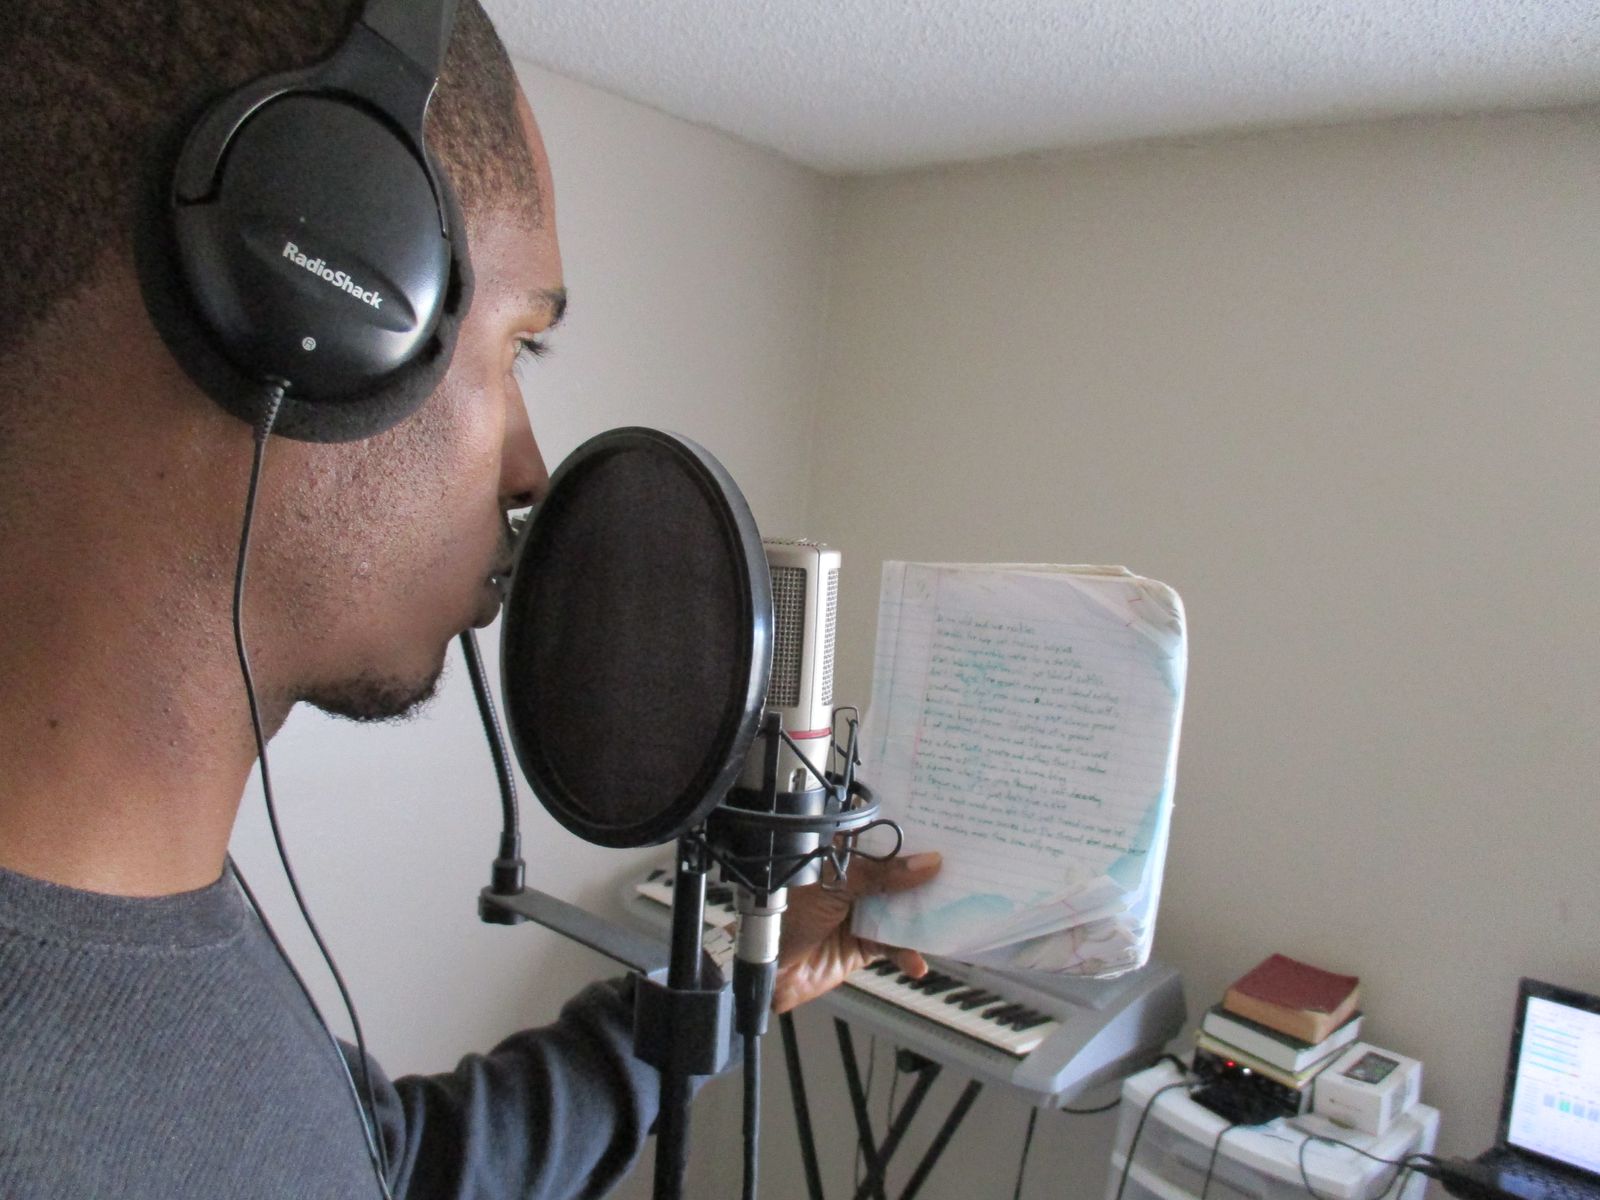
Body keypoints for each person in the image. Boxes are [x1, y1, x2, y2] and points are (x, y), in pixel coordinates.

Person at [0, 2, 941, 1196]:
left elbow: (378, 1166)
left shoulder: (150, 912)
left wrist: (722, 980)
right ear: (312, 294)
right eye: (517, 348)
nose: (530, 472)